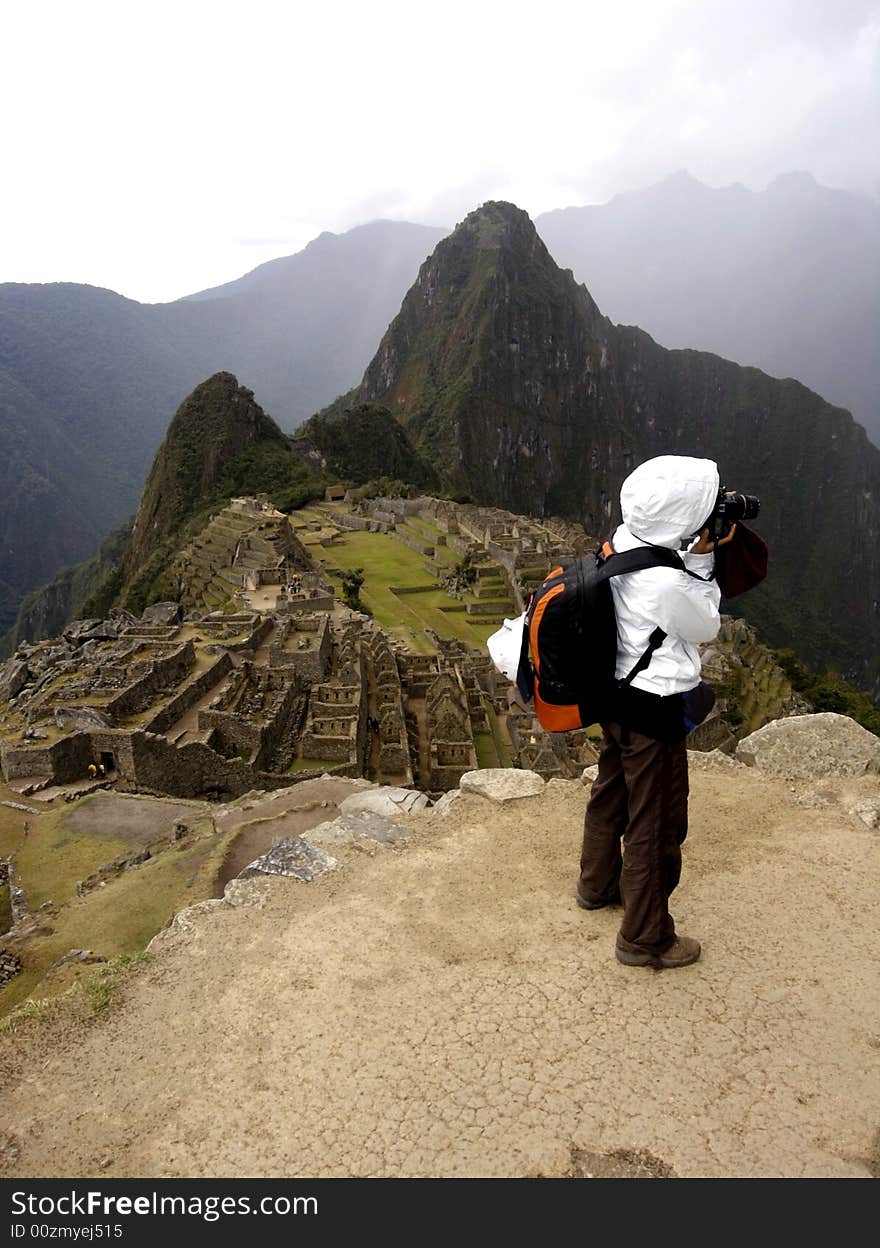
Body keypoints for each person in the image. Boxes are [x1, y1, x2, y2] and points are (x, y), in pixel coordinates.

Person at [578, 455, 737, 970]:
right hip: (655, 709)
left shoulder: (620, 544)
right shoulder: (668, 581)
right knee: (657, 820)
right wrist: (706, 562)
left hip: (615, 697)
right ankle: (645, 936)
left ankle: (597, 885)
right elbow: (706, 624)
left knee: (611, 794)